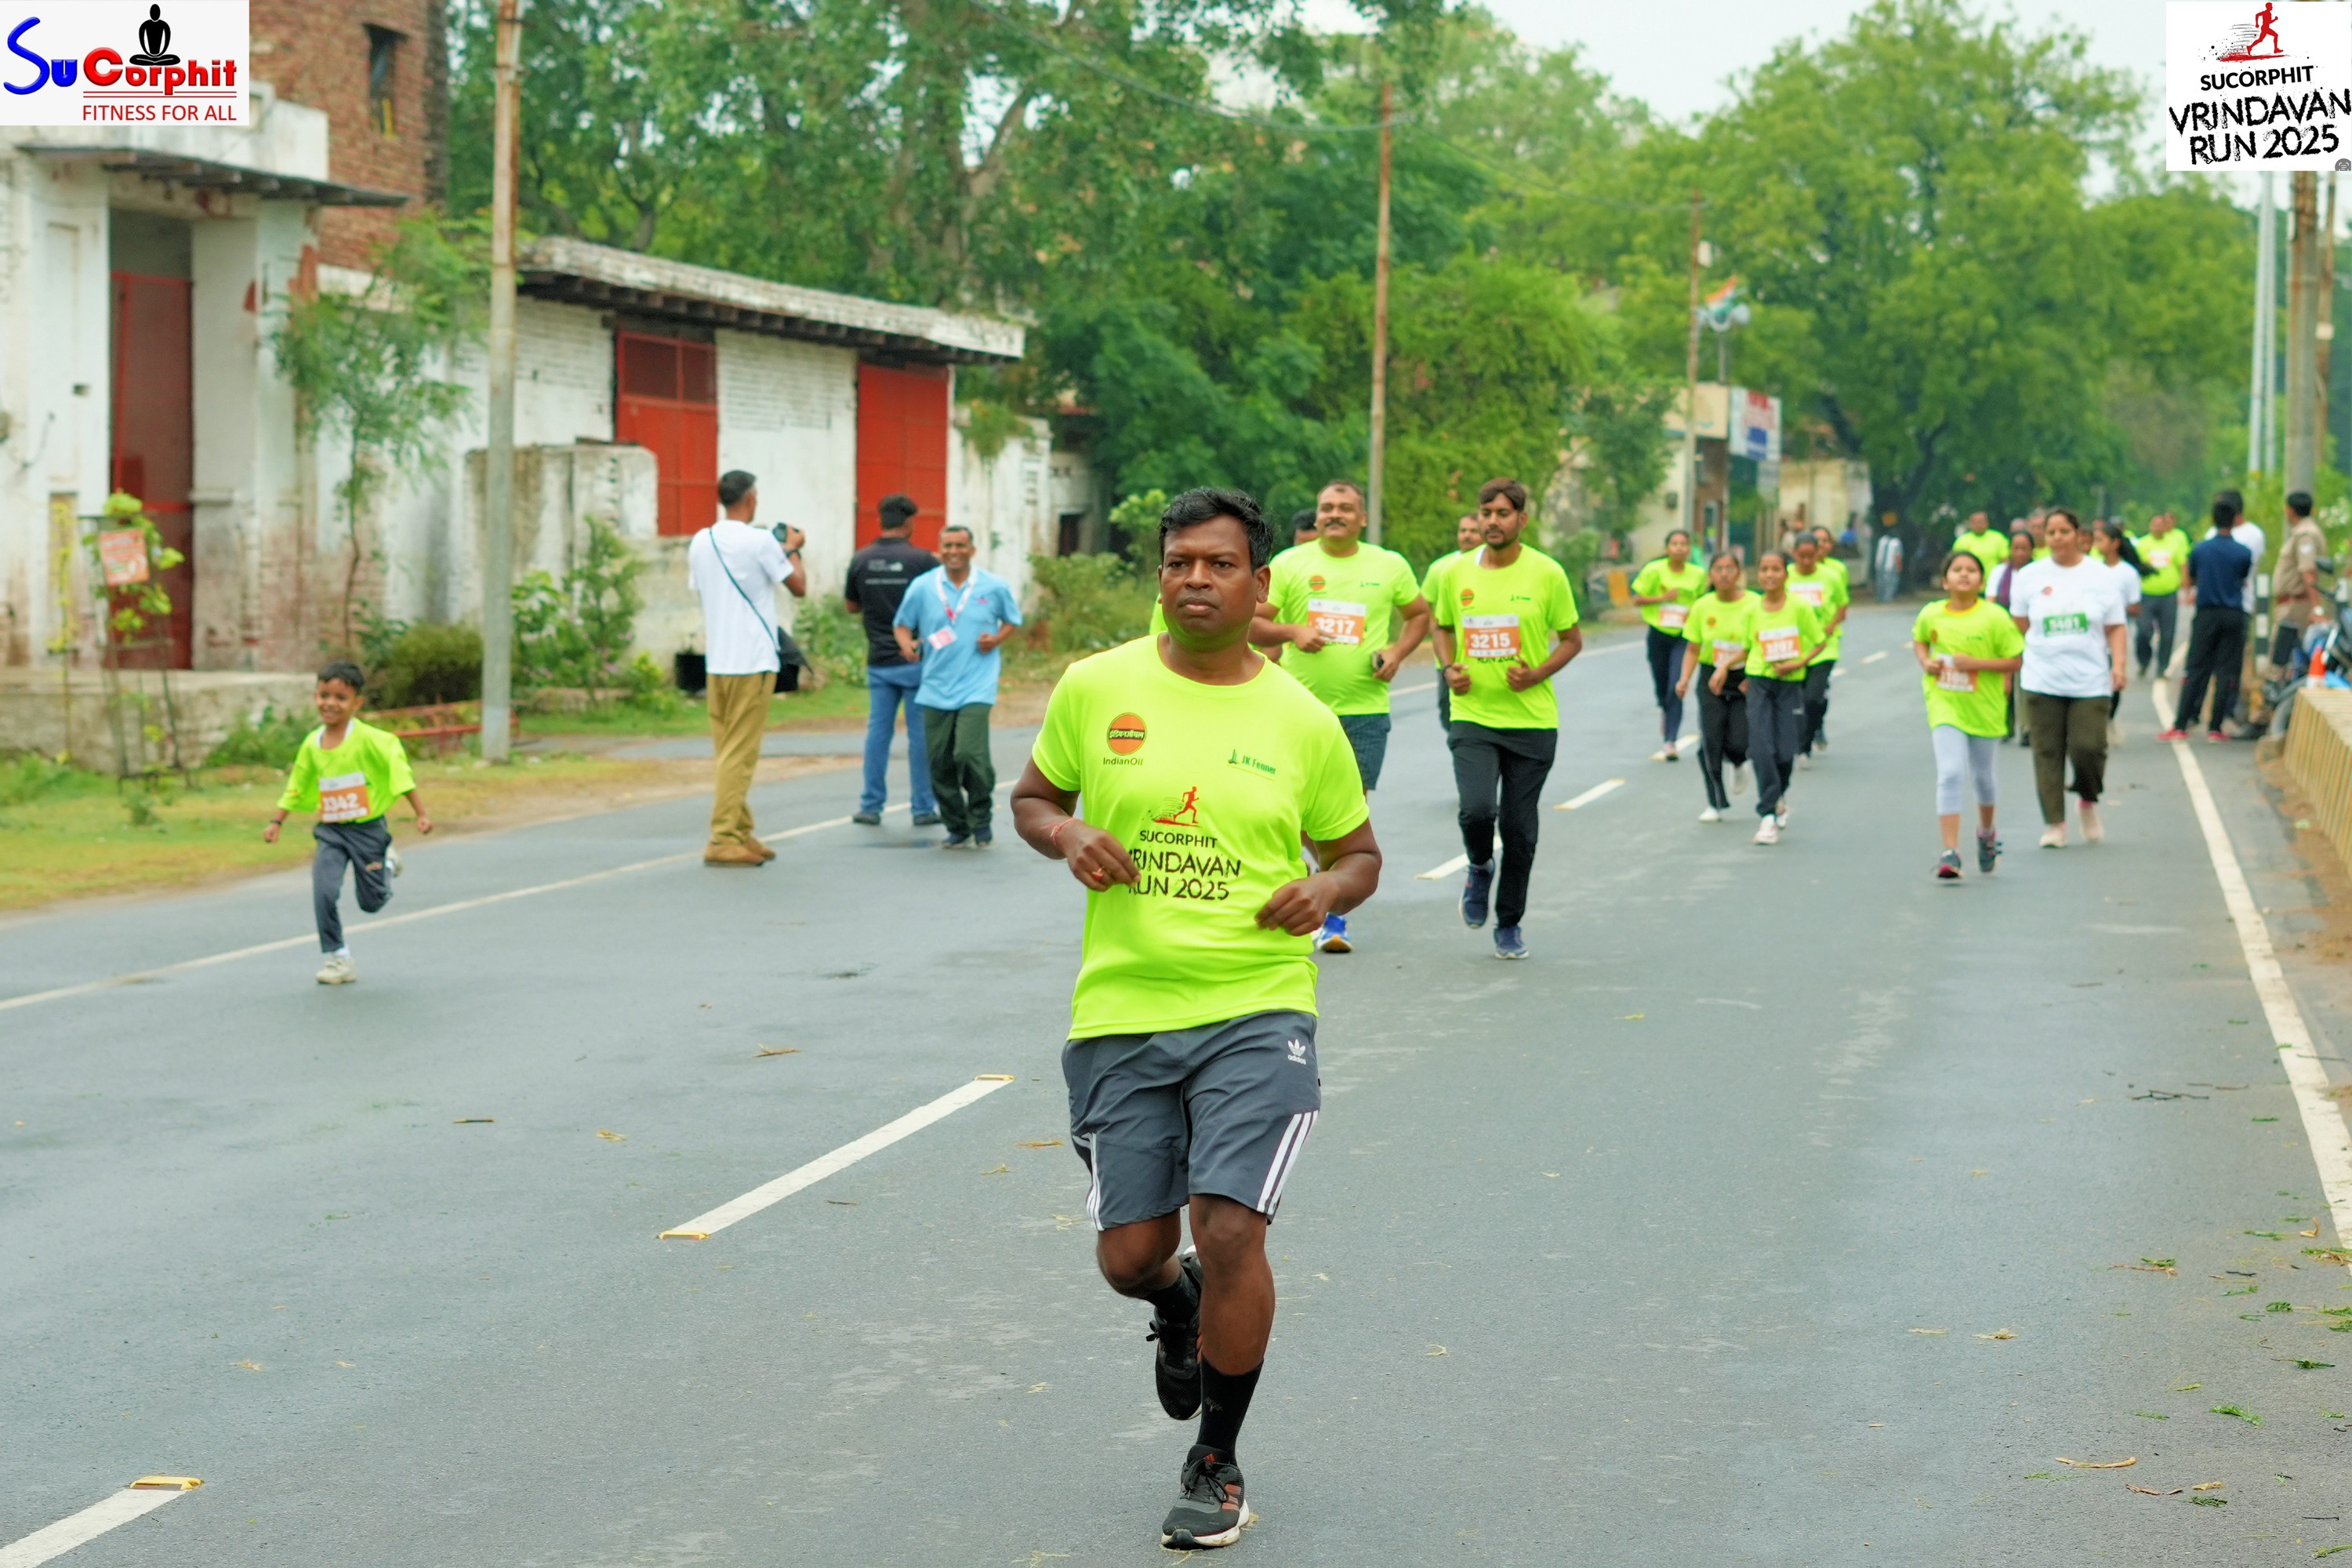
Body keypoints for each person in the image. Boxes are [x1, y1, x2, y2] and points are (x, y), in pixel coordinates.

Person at [1009, 486, 1379, 1552]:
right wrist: (1066, 834)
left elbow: (1358, 854)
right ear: (1161, 575)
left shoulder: (1302, 720)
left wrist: (1327, 890)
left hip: (1258, 1005)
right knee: (1133, 1255)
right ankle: (1176, 1307)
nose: (1197, 580)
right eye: (1180, 563)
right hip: (1123, 1008)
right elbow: (1032, 799)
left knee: (1229, 1227)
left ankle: (1216, 1460)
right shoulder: (1097, 687)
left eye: (1219, 564)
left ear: (1261, 585)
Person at [1257, 479, 1429, 953]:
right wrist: (1292, 631)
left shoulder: (1389, 565)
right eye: (1327, 507)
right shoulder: (1290, 564)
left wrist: (1397, 652)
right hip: (1299, 711)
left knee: (1347, 817)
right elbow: (1251, 622)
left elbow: (1419, 615)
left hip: (1364, 712)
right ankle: (1315, 879)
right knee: (1294, 814)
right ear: (1317, 515)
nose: (1335, 514)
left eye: (1346, 508)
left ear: (1363, 518)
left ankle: (1333, 919)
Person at [1432, 477, 1582, 959]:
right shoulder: (1456, 572)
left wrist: (1536, 673)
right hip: (1473, 714)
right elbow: (1441, 626)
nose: (1492, 521)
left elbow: (1572, 640)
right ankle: (1479, 866)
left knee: (1519, 831)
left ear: (1522, 519)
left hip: (1532, 722)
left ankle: (1510, 923)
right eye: (1485, 513)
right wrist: (1449, 667)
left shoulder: (1548, 573)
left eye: (1502, 513)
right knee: (1477, 810)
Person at [263, 660, 434, 985]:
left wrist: (420, 813)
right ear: (315, 696)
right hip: (331, 832)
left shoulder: (371, 740)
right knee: (324, 892)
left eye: (341, 698)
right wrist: (277, 821)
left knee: (372, 903)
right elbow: (297, 785)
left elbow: (399, 773)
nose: (330, 704)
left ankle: (386, 862)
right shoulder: (312, 744)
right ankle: (337, 958)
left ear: (357, 703)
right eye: (324, 695)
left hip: (367, 831)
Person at [686, 470, 806, 866]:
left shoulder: (702, 540)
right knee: (740, 754)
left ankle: (740, 829)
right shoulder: (760, 541)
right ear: (751, 498)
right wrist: (792, 549)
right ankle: (723, 837)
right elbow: (799, 586)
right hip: (752, 660)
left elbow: (705, 589)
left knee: (728, 749)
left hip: (718, 660)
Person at [893, 524, 1022, 848]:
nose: (954, 552)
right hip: (935, 686)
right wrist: (907, 645)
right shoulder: (923, 587)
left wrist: (996, 639)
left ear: (972, 550)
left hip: (977, 685)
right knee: (939, 761)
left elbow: (1012, 620)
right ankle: (957, 825)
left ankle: (980, 817)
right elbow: (902, 625)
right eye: (948, 546)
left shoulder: (992, 586)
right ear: (940, 550)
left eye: (961, 546)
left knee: (968, 753)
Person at [2009, 507, 2128, 847]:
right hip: (2042, 678)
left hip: (2090, 679)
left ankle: (2087, 800)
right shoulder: (2029, 577)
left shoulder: (2100, 576)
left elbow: (2116, 626)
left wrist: (2119, 665)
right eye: (2051, 533)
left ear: (2079, 535)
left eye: (2064, 531)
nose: (2057, 538)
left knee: (2088, 748)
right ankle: (2055, 824)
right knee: (2047, 751)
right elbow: (2021, 622)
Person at [1912, 553, 2022, 880]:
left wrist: (1977, 665)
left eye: (1971, 571)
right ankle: (1950, 852)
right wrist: (1926, 662)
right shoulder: (1931, 614)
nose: (1964, 575)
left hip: (1985, 707)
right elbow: (1920, 640)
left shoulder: (1995, 617)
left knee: (1983, 778)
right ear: (1945, 581)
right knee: (1950, 772)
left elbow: (2015, 660)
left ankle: (1986, 834)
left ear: (1981, 581)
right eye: (1957, 570)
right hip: (1945, 703)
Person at [844, 494, 941, 828]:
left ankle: (870, 805)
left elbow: (851, 606)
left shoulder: (861, 559)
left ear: (880, 520)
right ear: (909, 522)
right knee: (920, 737)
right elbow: (940, 603)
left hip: (879, 662)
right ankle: (923, 808)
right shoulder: (923, 561)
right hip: (916, 660)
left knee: (878, 733)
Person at [1738, 551, 1824, 844]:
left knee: (1786, 751)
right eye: (1764, 569)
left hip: (1789, 685)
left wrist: (1798, 663)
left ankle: (1778, 797)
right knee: (1761, 746)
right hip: (1759, 682)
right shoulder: (1752, 609)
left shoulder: (1799, 607)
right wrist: (1730, 672)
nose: (1770, 575)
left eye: (1776, 569)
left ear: (1786, 574)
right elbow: (1748, 647)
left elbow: (1819, 642)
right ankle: (1767, 816)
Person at [2161, 494, 2257, 743]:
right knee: (2227, 671)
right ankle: (2216, 727)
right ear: (2235, 520)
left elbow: (2193, 578)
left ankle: (2181, 724)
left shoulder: (2200, 549)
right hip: (2234, 614)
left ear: (2213, 520)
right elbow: (2242, 578)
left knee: (2196, 668)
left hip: (2207, 613)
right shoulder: (2243, 552)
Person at [1675, 550, 1755, 822]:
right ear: (1710, 574)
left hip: (1745, 676)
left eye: (1729, 569)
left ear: (1739, 573)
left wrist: (1746, 673)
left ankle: (1739, 761)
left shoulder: (1753, 604)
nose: (1724, 575)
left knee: (1739, 740)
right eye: (1718, 569)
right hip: (1711, 678)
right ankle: (1715, 801)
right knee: (1711, 738)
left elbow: (1757, 644)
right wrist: (1684, 679)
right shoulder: (1702, 606)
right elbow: (1693, 648)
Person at [1631, 528, 1704, 761]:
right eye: (1675, 544)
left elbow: (1703, 603)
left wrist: (1694, 615)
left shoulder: (1698, 575)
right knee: (1662, 684)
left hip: (1683, 636)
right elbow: (1637, 599)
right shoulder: (1654, 570)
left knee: (1676, 684)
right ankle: (1665, 707)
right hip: (1659, 634)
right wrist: (1663, 598)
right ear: (1667, 548)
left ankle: (1670, 740)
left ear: (1689, 549)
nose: (1680, 548)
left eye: (1684, 544)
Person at [1785, 531, 1849, 761]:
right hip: (1795, 646)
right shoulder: (1786, 576)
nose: (1805, 561)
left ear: (1818, 554)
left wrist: (1831, 625)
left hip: (1824, 646)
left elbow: (1842, 605)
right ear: (1794, 554)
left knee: (1813, 697)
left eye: (1810, 556)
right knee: (1797, 697)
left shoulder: (1831, 577)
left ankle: (1807, 740)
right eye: (1801, 556)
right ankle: (1801, 735)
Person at [1421, 514, 1484, 735]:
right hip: (1450, 660)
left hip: (1486, 657)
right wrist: (1438, 635)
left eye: (1473, 531)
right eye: (1463, 531)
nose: (1467, 536)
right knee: (1449, 715)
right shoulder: (1441, 568)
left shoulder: (1496, 568)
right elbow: (1425, 607)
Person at [2090, 519, 2145, 746]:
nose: (2096, 545)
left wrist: (2115, 610)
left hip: (2116, 634)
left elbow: (2136, 606)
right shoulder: (2093, 570)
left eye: (2101, 540)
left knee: (2114, 678)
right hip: (2094, 634)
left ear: (2114, 543)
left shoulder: (2128, 573)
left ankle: (2110, 719)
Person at [2270, 491, 2332, 678]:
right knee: (2290, 658)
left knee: (2280, 658)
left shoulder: (2306, 535)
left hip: (2296, 605)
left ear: (2289, 510)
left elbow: (2308, 572)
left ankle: (2279, 688)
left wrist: (2316, 609)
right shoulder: (2303, 533)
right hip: (2294, 603)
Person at [2132, 510, 2190, 679]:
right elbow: (2134, 568)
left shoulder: (2174, 543)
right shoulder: (2142, 544)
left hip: (2168, 594)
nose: (2158, 528)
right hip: (2146, 594)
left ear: (2165, 527)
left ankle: (2162, 667)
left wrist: (2186, 588)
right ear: (2150, 526)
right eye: (2155, 525)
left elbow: (2183, 565)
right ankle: (2144, 661)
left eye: (2160, 525)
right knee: (2143, 631)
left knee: (2168, 633)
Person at [1954, 512, 2009, 579]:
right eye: (1975, 522)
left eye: (1981, 522)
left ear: (1987, 523)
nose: (1978, 524)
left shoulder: (1998, 538)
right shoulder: (1961, 541)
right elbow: (1955, 564)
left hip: (1994, 581)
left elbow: (2005, 562)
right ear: (1970, 524)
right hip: (1969, 581)